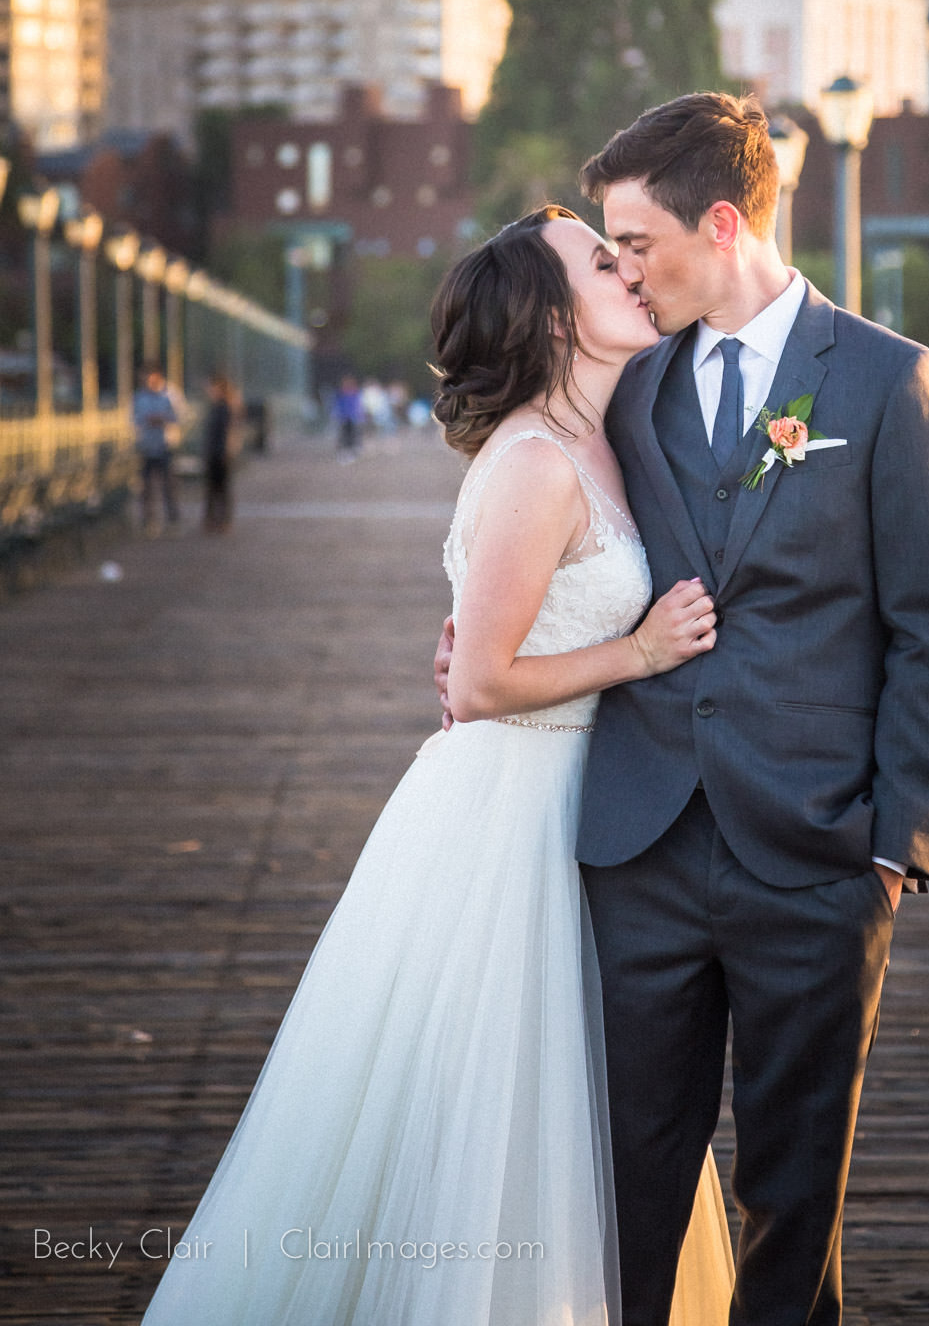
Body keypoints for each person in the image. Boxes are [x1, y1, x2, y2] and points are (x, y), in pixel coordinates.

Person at [140, 206, 734, 1326]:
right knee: (501, 1104)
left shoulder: (617, 431)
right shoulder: (531, 463)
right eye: (603, 265)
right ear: (556, 320)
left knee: (597, 1108)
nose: (630, 275)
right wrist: (639, 649)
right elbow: (477, 686)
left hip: (594, 809)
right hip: (511, 817)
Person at [442, 93, 929, 1324]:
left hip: (818, 856)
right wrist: (472, 619)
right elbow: (546, 492)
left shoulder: (892, 382)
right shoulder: (632, 385)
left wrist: (897, 844)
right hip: (640, 851)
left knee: (794, 1202)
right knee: (627, 1190)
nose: (622, 269)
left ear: (721, 222)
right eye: (612, 252)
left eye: (636, 243)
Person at [133, 365, 181, 535]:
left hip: (166, 445)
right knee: (146, 487)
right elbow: (134, 419)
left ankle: (173, 520)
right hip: (146, 446)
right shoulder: (139, 397)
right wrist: (146, 421)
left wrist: (164, 419)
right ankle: (149, 521)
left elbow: (181, 416)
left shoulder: (170, 394)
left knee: (169, 485)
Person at [202, 374, 239, 533]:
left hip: (220, 454)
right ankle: (213, 520)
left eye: (212, 387)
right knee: (213, 489)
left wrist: (225, 451)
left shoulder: (224, 407)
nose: (209, 390)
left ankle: (222, 520)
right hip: (214, 453)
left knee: (221, 489)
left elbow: (228, 432)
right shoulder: (216, 407)